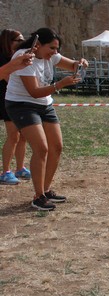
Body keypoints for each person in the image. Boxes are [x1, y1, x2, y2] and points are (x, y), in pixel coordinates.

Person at [5, 28, 87, 210]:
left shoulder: (50, 56)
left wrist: (79, 64)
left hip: (44, 103)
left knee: (56, 147)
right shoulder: (25, 57)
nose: (55, 53)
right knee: (41, 148)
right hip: (21, 104)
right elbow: (33, 92)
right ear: (38, 45)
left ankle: (46, 190)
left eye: (57, 49)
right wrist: (59, 85)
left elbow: (72, 65)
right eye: (52, 48)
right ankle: (38, 196)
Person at [0, 29, 30, 185]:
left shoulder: (16, 57)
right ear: (8, 41)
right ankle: (5, 172)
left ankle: (20, 168)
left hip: (17, 99)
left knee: (23, 135)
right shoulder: (4, 59)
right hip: (6, 100)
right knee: (13, 136)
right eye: (19, 40)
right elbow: (8, 79)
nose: (22, 42)